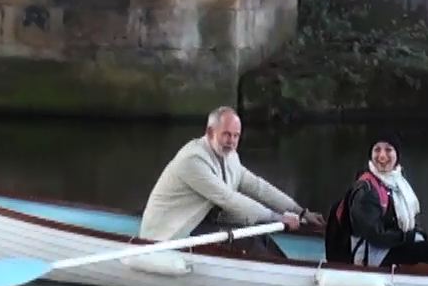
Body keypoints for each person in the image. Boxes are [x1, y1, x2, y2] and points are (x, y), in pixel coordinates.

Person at [138, 106, 322, 258]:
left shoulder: (230, 155)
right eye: (226, 135)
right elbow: (229, 199)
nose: (231, 142)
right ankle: (284, 275)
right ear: (210, 132)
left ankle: (285, 266)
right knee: (246, 241)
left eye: (236, 136)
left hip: (203, 222)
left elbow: (259, 187)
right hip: (173, 232)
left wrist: (300, 211)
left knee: (258, 232)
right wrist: (277, 218)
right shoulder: (193, 160)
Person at [323, 139, 428, 269]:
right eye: (377, 150)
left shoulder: (397, 182)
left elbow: (403, 221)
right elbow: (375, 235)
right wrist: (408, 237)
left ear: (397, 155)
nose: (382, 156)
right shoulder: (365, 190)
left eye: (388, 150)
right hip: (370, 254)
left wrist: (418, 235)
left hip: (389, 245)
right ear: (371, 155)